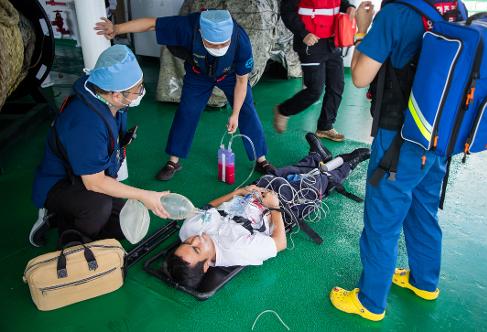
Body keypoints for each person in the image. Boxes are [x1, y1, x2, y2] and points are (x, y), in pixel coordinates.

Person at [329, 0, 467, 321]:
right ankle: (424, 282)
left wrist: (363, 28)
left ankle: (370, 301)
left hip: (400, 137)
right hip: (439, 134)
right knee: (423, 208)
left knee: (383, 218)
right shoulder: (455, 7)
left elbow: (361, 77)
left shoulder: (397, 13)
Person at [165, 133, 370, 289]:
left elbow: (208, 207)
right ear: (207, 265)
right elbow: (280, 243)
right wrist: (274, 206)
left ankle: (317, 156)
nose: (195, 239)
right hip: (276, 207)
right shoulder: (236, 250)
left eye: (188, 243)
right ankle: (349, 162)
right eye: (196, 248)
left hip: (249, 195)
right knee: (315, 182)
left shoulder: (188, 231)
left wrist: (238, 193)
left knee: (276, 174)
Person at [94, 10, 276, 181]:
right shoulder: (188, 26)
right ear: (201, 33)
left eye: (224, 44)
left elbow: (242, 82)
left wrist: (234, 113)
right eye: (213, 44)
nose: (220, 47)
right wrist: (117, 29)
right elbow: (151, 24)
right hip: (199, 74)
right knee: (187, 111)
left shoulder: (240, 40)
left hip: (229, 75)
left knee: (246, 109)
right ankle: (173, 161)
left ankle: (261, 160)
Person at [30, 45, 170, 247]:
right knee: (98, 207)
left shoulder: (105, 94)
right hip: (61, 183)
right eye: (137, 89)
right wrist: (144, 195)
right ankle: (72, 244)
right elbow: (94, 183)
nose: (141, 92)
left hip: (85, 175)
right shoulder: (85, 123)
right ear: (115, 95)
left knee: (124, 223)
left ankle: (62, 218)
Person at [274, 0, 356, 141]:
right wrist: (303, 33)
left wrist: (349, 7)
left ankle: (325, 126)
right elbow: (287, 11)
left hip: (332, 41)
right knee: (314, 91)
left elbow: (339, 2)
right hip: (311, 43)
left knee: (337, 85)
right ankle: (283, 110)